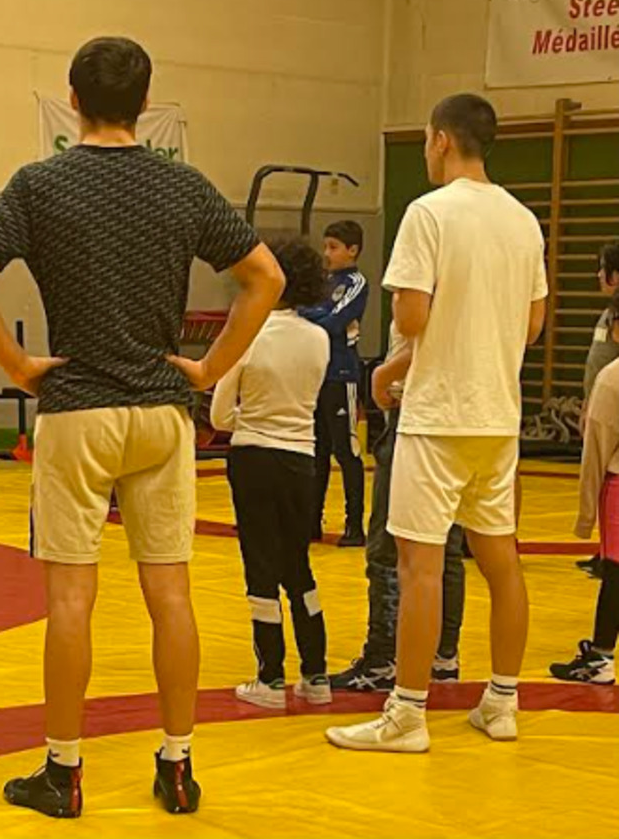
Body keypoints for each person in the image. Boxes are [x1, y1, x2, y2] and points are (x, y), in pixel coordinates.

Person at [0, 36, 284, 817]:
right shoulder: (182, 184)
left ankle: (63, 770)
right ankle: (178, 763)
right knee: (170, 593)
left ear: (73, 99)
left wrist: (17, 363)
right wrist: (210, 367)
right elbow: (265, 276)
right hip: (162, 411)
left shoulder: (39, 183)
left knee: (72, 598)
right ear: (146, 102)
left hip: (77, 409)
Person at [326, 93, 546, 753]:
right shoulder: (523, 220)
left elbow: (413, 317)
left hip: (438, 414)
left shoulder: (428, 213)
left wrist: (389, 370)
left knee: (419, 566)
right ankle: (502, 701)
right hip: (498, 417)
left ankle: (407, 714)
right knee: (501, 561)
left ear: (443, 139)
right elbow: (532, 326)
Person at [211, 237, 332, 710]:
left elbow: (220, 415)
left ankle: (270, 678)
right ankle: (316, 675)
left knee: (260, 566)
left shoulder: (248, 334)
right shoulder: (319, 338)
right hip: (302, 459)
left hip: (253, 458)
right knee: (298, 565)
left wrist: (253, 419)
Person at [329, 322, 466, 693]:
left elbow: (429, 332)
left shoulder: (430, 293)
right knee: (446, 548)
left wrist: (382, 375)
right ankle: (442, 655)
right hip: (460, 414)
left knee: (388, 547)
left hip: (417, 412)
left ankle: (384, 656)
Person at [549, 357, 619, 684]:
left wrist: (585, 515)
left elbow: (596, 449)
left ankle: (601, 657)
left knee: (616, 573)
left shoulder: (612, 378)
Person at [301, 221, 368, 547]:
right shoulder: (323, 281)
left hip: (342, 376)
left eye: (333, 247)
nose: (326, 253)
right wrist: (316, 314)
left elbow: (334, 321)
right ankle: (311, 521)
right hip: (317, 375)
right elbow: (301, 312)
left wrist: (314, 315)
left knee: (347, 451)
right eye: (325, 246)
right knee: (317, 452)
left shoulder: (356, 283)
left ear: (352, 250)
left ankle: (354, 525)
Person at [576, 241, 619, 578]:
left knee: (604, 478)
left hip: (610, 408)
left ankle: (610, 553)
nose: (598, 275)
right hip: (598, 403)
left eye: (603, 268)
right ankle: (604, 549)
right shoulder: (609, 313)